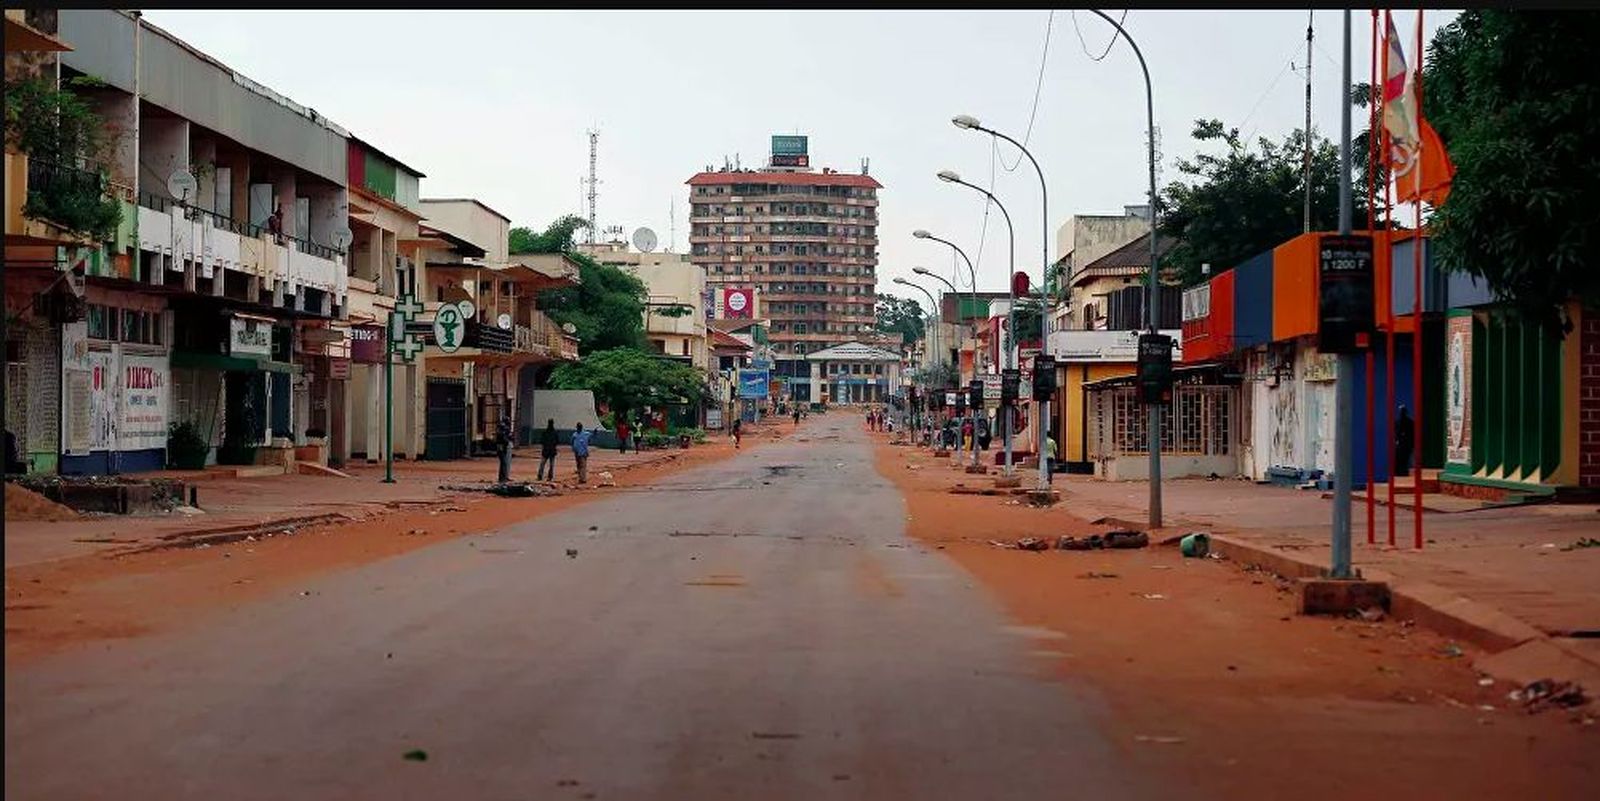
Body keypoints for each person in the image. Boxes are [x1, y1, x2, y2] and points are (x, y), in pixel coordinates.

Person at [1394, 404, 1415, 479]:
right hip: (1403, 443)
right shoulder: (1409, 422)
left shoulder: (1408, 422)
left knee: (1403, 459)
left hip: (1404, 443)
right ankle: (1401, 472)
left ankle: (1402, 472)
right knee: (1402, 459)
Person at [495, 414, 514, 484]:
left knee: (504, 463)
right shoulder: (503, 429)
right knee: (504, 463)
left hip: (502, 446)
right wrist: (508, 439)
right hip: (502, 447)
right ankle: (502, 478)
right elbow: (504, 438)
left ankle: (504, 477)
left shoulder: (501, 428)